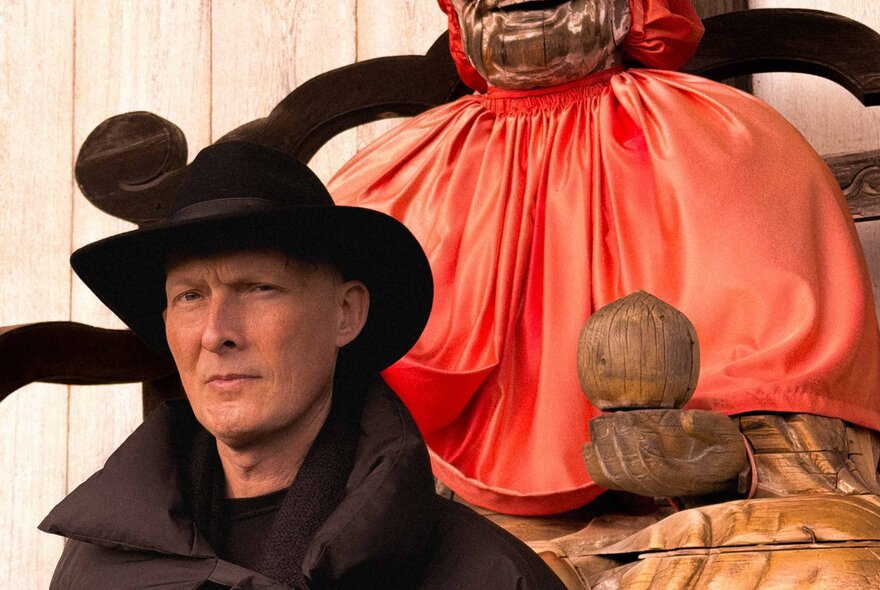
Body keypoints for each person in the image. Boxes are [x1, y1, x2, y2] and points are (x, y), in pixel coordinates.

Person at [327, 0, 880, 515]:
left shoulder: (730, 141)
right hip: (433, 525)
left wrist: (722, 452)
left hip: (674, 531)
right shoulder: (389, 179)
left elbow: (792, 384)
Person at [38, 141, 566, 589]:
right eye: (190, 296)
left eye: (258, 288)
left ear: (345, 313)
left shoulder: (484, 573)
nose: (216, 333)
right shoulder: (98, 567)